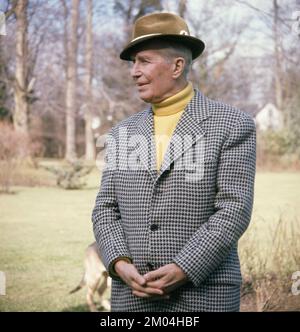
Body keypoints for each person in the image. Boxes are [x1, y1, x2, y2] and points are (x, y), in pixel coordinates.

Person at [92, 12, 256, 312]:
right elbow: (105, 209)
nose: (134, 72)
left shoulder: (233, 124)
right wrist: (119, 262)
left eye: (144, 61)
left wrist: (184, 267)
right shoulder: (120, 133)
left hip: (204, 297)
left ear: (177, 66)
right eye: (133, 63)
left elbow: (234, 209)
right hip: (132, 300)